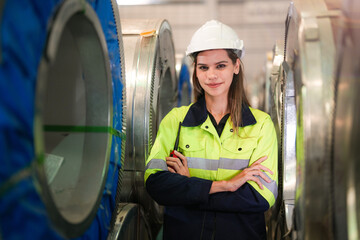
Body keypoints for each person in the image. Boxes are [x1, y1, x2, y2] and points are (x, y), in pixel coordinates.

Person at [145, 20, 278, 240]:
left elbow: (260, 198)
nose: (211, 75)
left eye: (221, 65)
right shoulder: (176, 121)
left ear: (236, 66)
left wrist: (190, 188)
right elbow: (156, 184)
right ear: (195, 71)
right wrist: (225, 185)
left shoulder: (260, 125)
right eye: (203, 67)